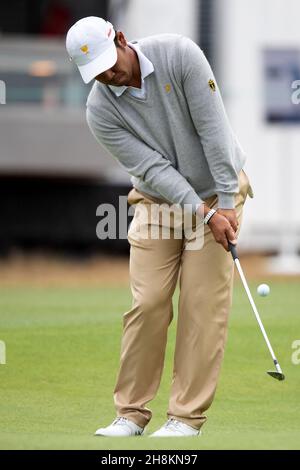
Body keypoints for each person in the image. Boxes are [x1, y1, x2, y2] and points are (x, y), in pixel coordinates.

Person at [66, 16, 253, 437]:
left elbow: (214, 132)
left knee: (201, 306)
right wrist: (201, 213)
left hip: (218, 191)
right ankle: (130, 413)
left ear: (121, 38)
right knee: (148, 301)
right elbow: (152, 168)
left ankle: (185, 418)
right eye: (95, 72)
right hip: (157, 201)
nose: (107, 76)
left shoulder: (179, 54)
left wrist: (224, 205)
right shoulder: (99, 109)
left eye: (108, 62)